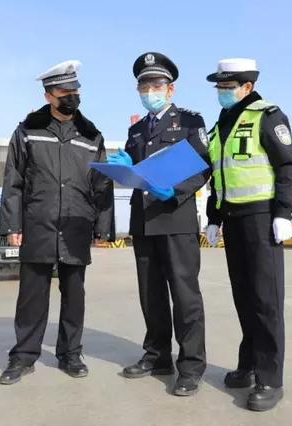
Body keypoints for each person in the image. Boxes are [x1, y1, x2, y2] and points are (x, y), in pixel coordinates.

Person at [0, 60, 115, 385]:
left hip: (77, 225)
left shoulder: (91, 136)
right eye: (65, 93)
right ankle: (23, 356)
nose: (72, 97)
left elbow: (102, 184)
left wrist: (103, 226)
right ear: (48, 95)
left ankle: (70, 354)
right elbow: (13, 180)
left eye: (75, 91)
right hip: (38, 223)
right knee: (31, 295)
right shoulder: (27, 131)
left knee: (74, 295)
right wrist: (12, 226)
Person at [109, 52, 210, 396]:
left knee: (185, 296)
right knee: (150, 295)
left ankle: (191, 366)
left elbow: (203, 166)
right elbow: (137, 173)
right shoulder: (136, 130)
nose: (150, 91)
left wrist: (176, 191)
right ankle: (157, 355)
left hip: (176, 219)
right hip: (144, 221)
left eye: (156, 85)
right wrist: (124, 166)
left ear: (170, 89)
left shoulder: (190, 122)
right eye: (144, 86)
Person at [205, 58, 292, 411]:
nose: (222, 92)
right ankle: (248, 365)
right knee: (244, 298)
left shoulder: (268, 116)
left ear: (247, 87)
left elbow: (288, 166)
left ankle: (270, 379)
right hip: (232, 220)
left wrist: (284, 212)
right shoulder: (220, 125)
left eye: (227, 87)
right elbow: (218, 177)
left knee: (265, 300)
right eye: (219, 87)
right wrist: (213, 217)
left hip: (262, 219)